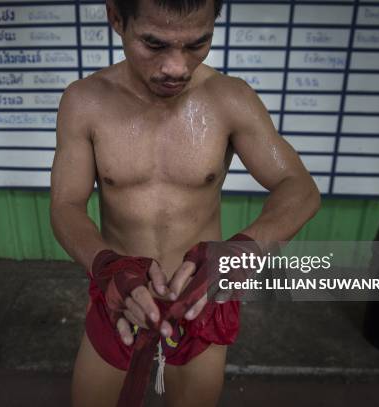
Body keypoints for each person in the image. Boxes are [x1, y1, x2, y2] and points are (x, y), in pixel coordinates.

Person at [50, 0, 321, 405]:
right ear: (116, 18)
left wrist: (239, 253)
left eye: (198, 43)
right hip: (119, 296)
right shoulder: (84, 102)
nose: (177, 67)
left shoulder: (231, 99)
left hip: (200, 303)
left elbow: (299, 187)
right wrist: (107, 268)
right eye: (154, 44)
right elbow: (66, 205)